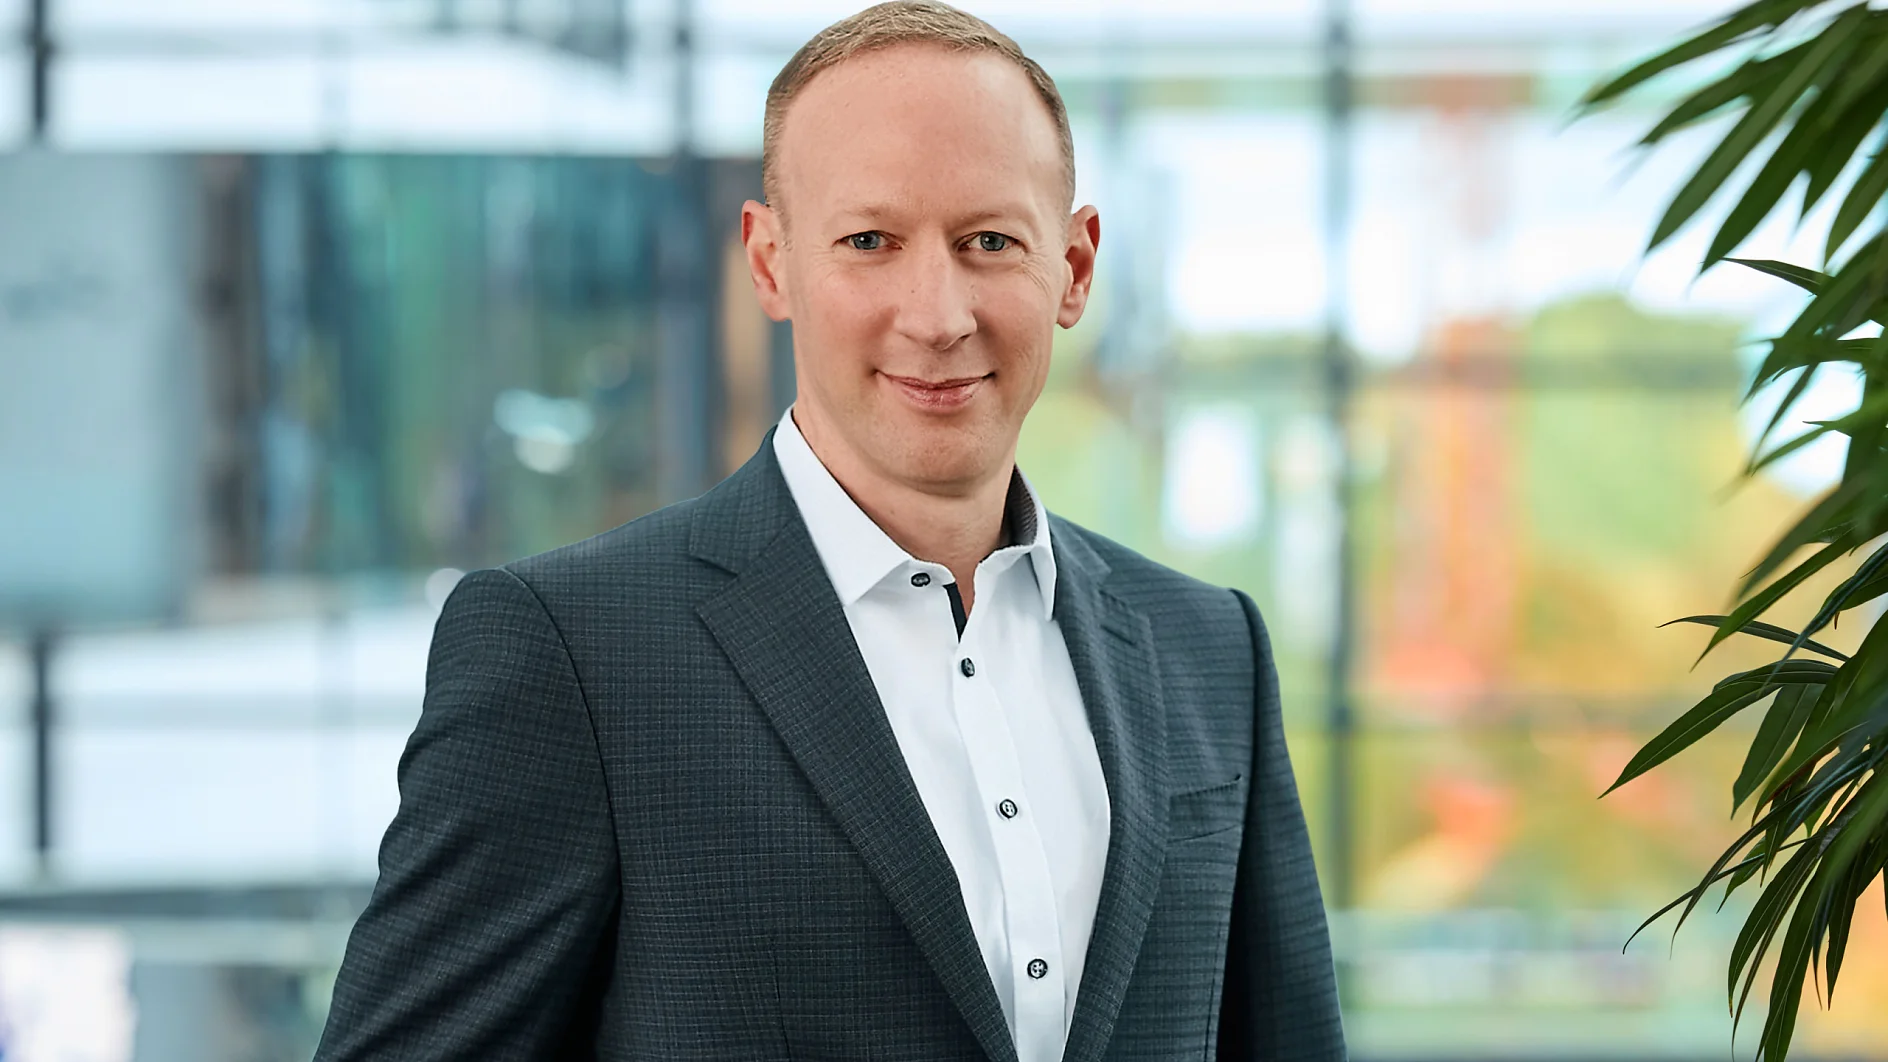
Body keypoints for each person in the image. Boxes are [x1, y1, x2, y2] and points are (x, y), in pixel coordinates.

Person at [312, 3, 1344, 1060]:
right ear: (768, 262)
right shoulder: (571, 653)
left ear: (1073, 268)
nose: (937, 314)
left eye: (989, 241)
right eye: (870, 241)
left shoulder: (1209, 649)